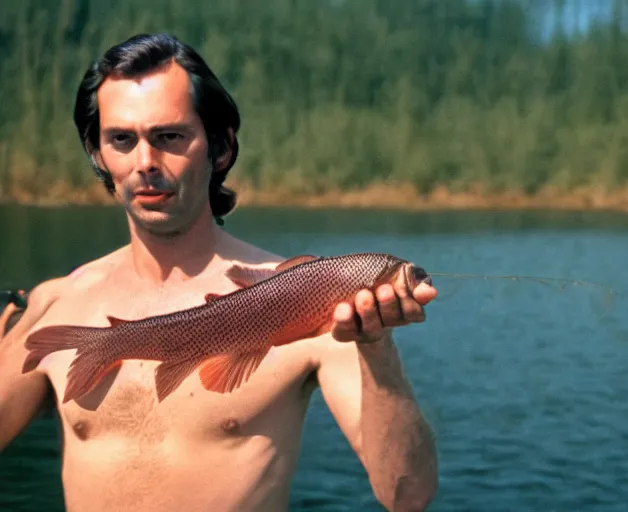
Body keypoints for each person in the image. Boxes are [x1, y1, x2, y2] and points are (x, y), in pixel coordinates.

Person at [0, 33, 438, 512]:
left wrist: (377, 349)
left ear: (221, 147)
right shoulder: (54, 304)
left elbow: (407, 495)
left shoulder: (311, 304)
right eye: (122, 139)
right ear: (98, 154)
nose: (145, 162)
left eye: (169, 137)